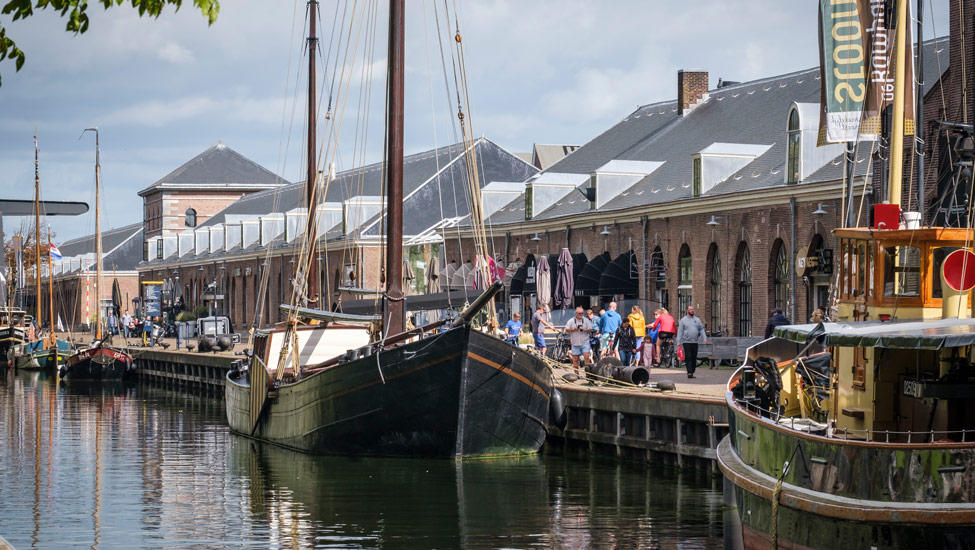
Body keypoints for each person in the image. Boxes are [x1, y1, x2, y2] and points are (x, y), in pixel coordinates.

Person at [676, 305, 707, 378]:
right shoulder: (683, 320)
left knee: (694, 357)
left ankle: (692, 371)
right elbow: (680, 331)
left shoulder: (697, 320)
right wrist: (678, 341)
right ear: (687, 310)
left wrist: (704, 338)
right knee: (688, 357)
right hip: (686, 341)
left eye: (693, 309)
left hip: (695, 342)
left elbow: (701, 329)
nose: (692, 311)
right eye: (690, 309)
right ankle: (689, 372)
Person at [564, 307, 594, 374]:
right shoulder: (571, 321)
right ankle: (576, 374)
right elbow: (566, 329)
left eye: (582, 313)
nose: (581, 314)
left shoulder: (586, 320)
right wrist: (574, 329)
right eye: (579, 313)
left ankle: (588, 373)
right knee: (575, 359)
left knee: (586, 357)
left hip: (584, 342)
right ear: (576, 313)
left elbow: (591, 329)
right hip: (575, 343)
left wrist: (585, 329)